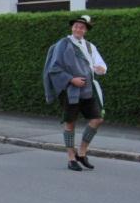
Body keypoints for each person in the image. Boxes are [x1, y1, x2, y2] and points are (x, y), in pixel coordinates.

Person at [43, 14, 106, 171]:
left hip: (88, 89)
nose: (78, 29)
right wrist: (71, 80)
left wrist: (101, 69)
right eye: (76, 26)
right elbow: (54, 68)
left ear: (86, 30)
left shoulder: (90, 47)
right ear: (72, 28)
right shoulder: (63, 45)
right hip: (70, 90)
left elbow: (100, 65)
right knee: (70, 123)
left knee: (97, 119)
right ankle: (71, 158)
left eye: (82, 27)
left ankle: (82, 152)